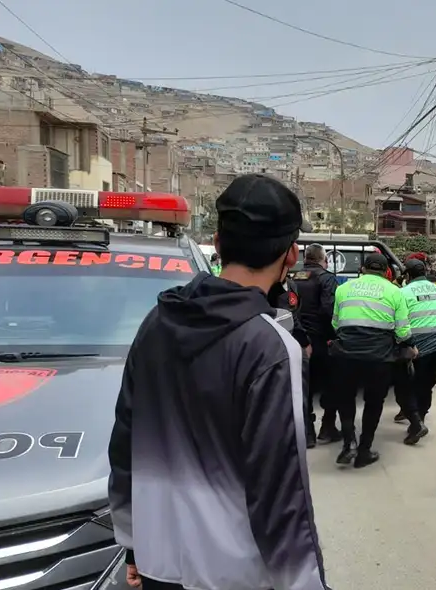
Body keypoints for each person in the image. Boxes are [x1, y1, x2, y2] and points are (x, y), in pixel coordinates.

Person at [107, 173, 327, 590]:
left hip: (158, 562)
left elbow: (125, 444)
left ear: (218, 242)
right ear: (291, 255)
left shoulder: (157, 322)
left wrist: (133, 543)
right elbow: (280, 489)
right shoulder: (269, 346)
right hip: (234, 574)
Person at [329, 252, 412, 468]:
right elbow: (403, 332)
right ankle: (364, 450)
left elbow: (336, 324)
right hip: (379, 358)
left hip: (346, 355)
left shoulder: (343, 288)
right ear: (386, 272)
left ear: (362, 269)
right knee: (374, 403)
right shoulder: (395, 292)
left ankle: (349, 443)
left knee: (345, 399)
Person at [392, 258, 436, 444]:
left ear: (407, 274)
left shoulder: (403, 292)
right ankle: (419, 419)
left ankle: (416, 422)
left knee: (404, 387)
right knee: (426, 386)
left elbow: (399, 323)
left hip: (415, 347)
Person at [293, 244, 342, 445]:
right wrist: (334, 336)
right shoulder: (327, 278)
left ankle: (308, 432)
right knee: (333, 383)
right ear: (324, 260)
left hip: (298, 339)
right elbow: (328, 310)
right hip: (321, 339)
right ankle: (327, 426)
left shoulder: (293, 278)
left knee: (304, 387)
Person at [271, 274, 315, 447]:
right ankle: (304, 434)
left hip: (281, 342)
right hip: (285, 343)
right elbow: (288, 316)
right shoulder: (279, 285)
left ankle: (306, 433)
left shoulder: (288, 284)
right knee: (299, 392)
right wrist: (304, 342)